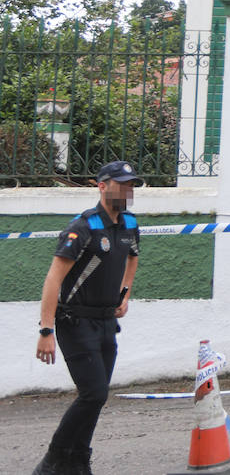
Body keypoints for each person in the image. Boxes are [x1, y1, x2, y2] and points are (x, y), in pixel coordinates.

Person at [32, 161, 141, 475]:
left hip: (107, 322)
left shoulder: (130, 224)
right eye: (122, 184)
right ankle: (53, 461)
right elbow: (53, 279)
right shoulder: (83, 227)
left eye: (131, 185)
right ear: (102, 185)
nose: (128, 190)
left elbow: (133, 257)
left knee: (96, 397)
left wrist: (125, 293)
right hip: (74, 323)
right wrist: (46, 329)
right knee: (94, 393)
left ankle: (78, 462)